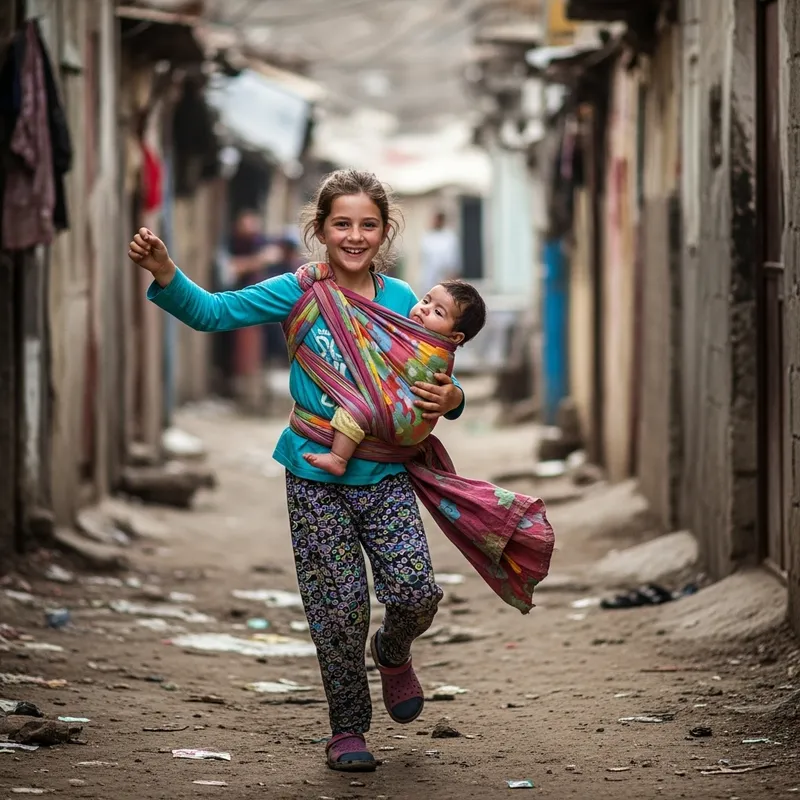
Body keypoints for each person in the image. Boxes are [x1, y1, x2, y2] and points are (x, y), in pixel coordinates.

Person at [128, 170, 467, 774]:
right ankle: (347, 729)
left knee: (415, 591)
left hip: (386, 474)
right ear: (320, 229)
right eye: (342, 223)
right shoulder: (298, 290)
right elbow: (212, 313)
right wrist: (165, 272)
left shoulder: (403, 302)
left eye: (368, 224)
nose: (355, 236)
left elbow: (434, 368)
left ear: (385, 231)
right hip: (314, 471)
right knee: (337, 608)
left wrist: (454, 399)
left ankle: (393, 651)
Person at [303, 280, 486, 477]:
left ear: (456, 337)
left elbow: (442, 379)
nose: (425, 309)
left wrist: (455, 397)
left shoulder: (405, 302)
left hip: (401, 420)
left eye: (438, 312)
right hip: (412, 430)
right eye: (425, 301)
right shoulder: (417, 325)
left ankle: (338, 458)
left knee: (355, 411)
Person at [419, 210, 461, 293]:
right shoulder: (427, 237)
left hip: (445, 276)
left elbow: (453, 259)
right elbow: (424, 259)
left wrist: (452, 275)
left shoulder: (449, 237)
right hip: (429, 278)